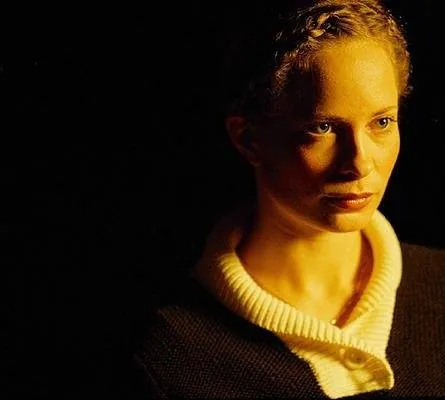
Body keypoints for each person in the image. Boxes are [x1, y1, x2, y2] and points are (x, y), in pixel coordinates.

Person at [132, 1, 445, 398]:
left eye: (381, 122)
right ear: (249, 139)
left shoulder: (439, 284)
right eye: (322, 128)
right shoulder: (173, 358)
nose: (359, 163)